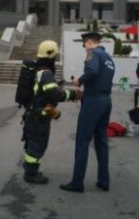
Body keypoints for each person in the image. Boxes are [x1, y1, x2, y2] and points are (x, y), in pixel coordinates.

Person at [61, 31, 115, 193]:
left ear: (90, 42)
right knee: (101, 141)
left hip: (93, 101)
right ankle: (104, 181)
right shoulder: (108, 58)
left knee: (83, 141)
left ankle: (77, 182)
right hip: (106, 101)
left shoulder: (93, 54)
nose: (84, 47)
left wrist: (79, 81)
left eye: (85, 44)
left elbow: (91, 71)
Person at [22, 40, 81, 184]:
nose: (55, 58)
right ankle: (31, 174)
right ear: (50, 56)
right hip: (38, 117)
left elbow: (43, 92)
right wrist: (74, 94)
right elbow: (55, 95)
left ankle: (31, 170)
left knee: (32, 144)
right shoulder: (46, 73)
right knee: (38, 145)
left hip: (33, 114)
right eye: (55, 56)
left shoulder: (38, 70)